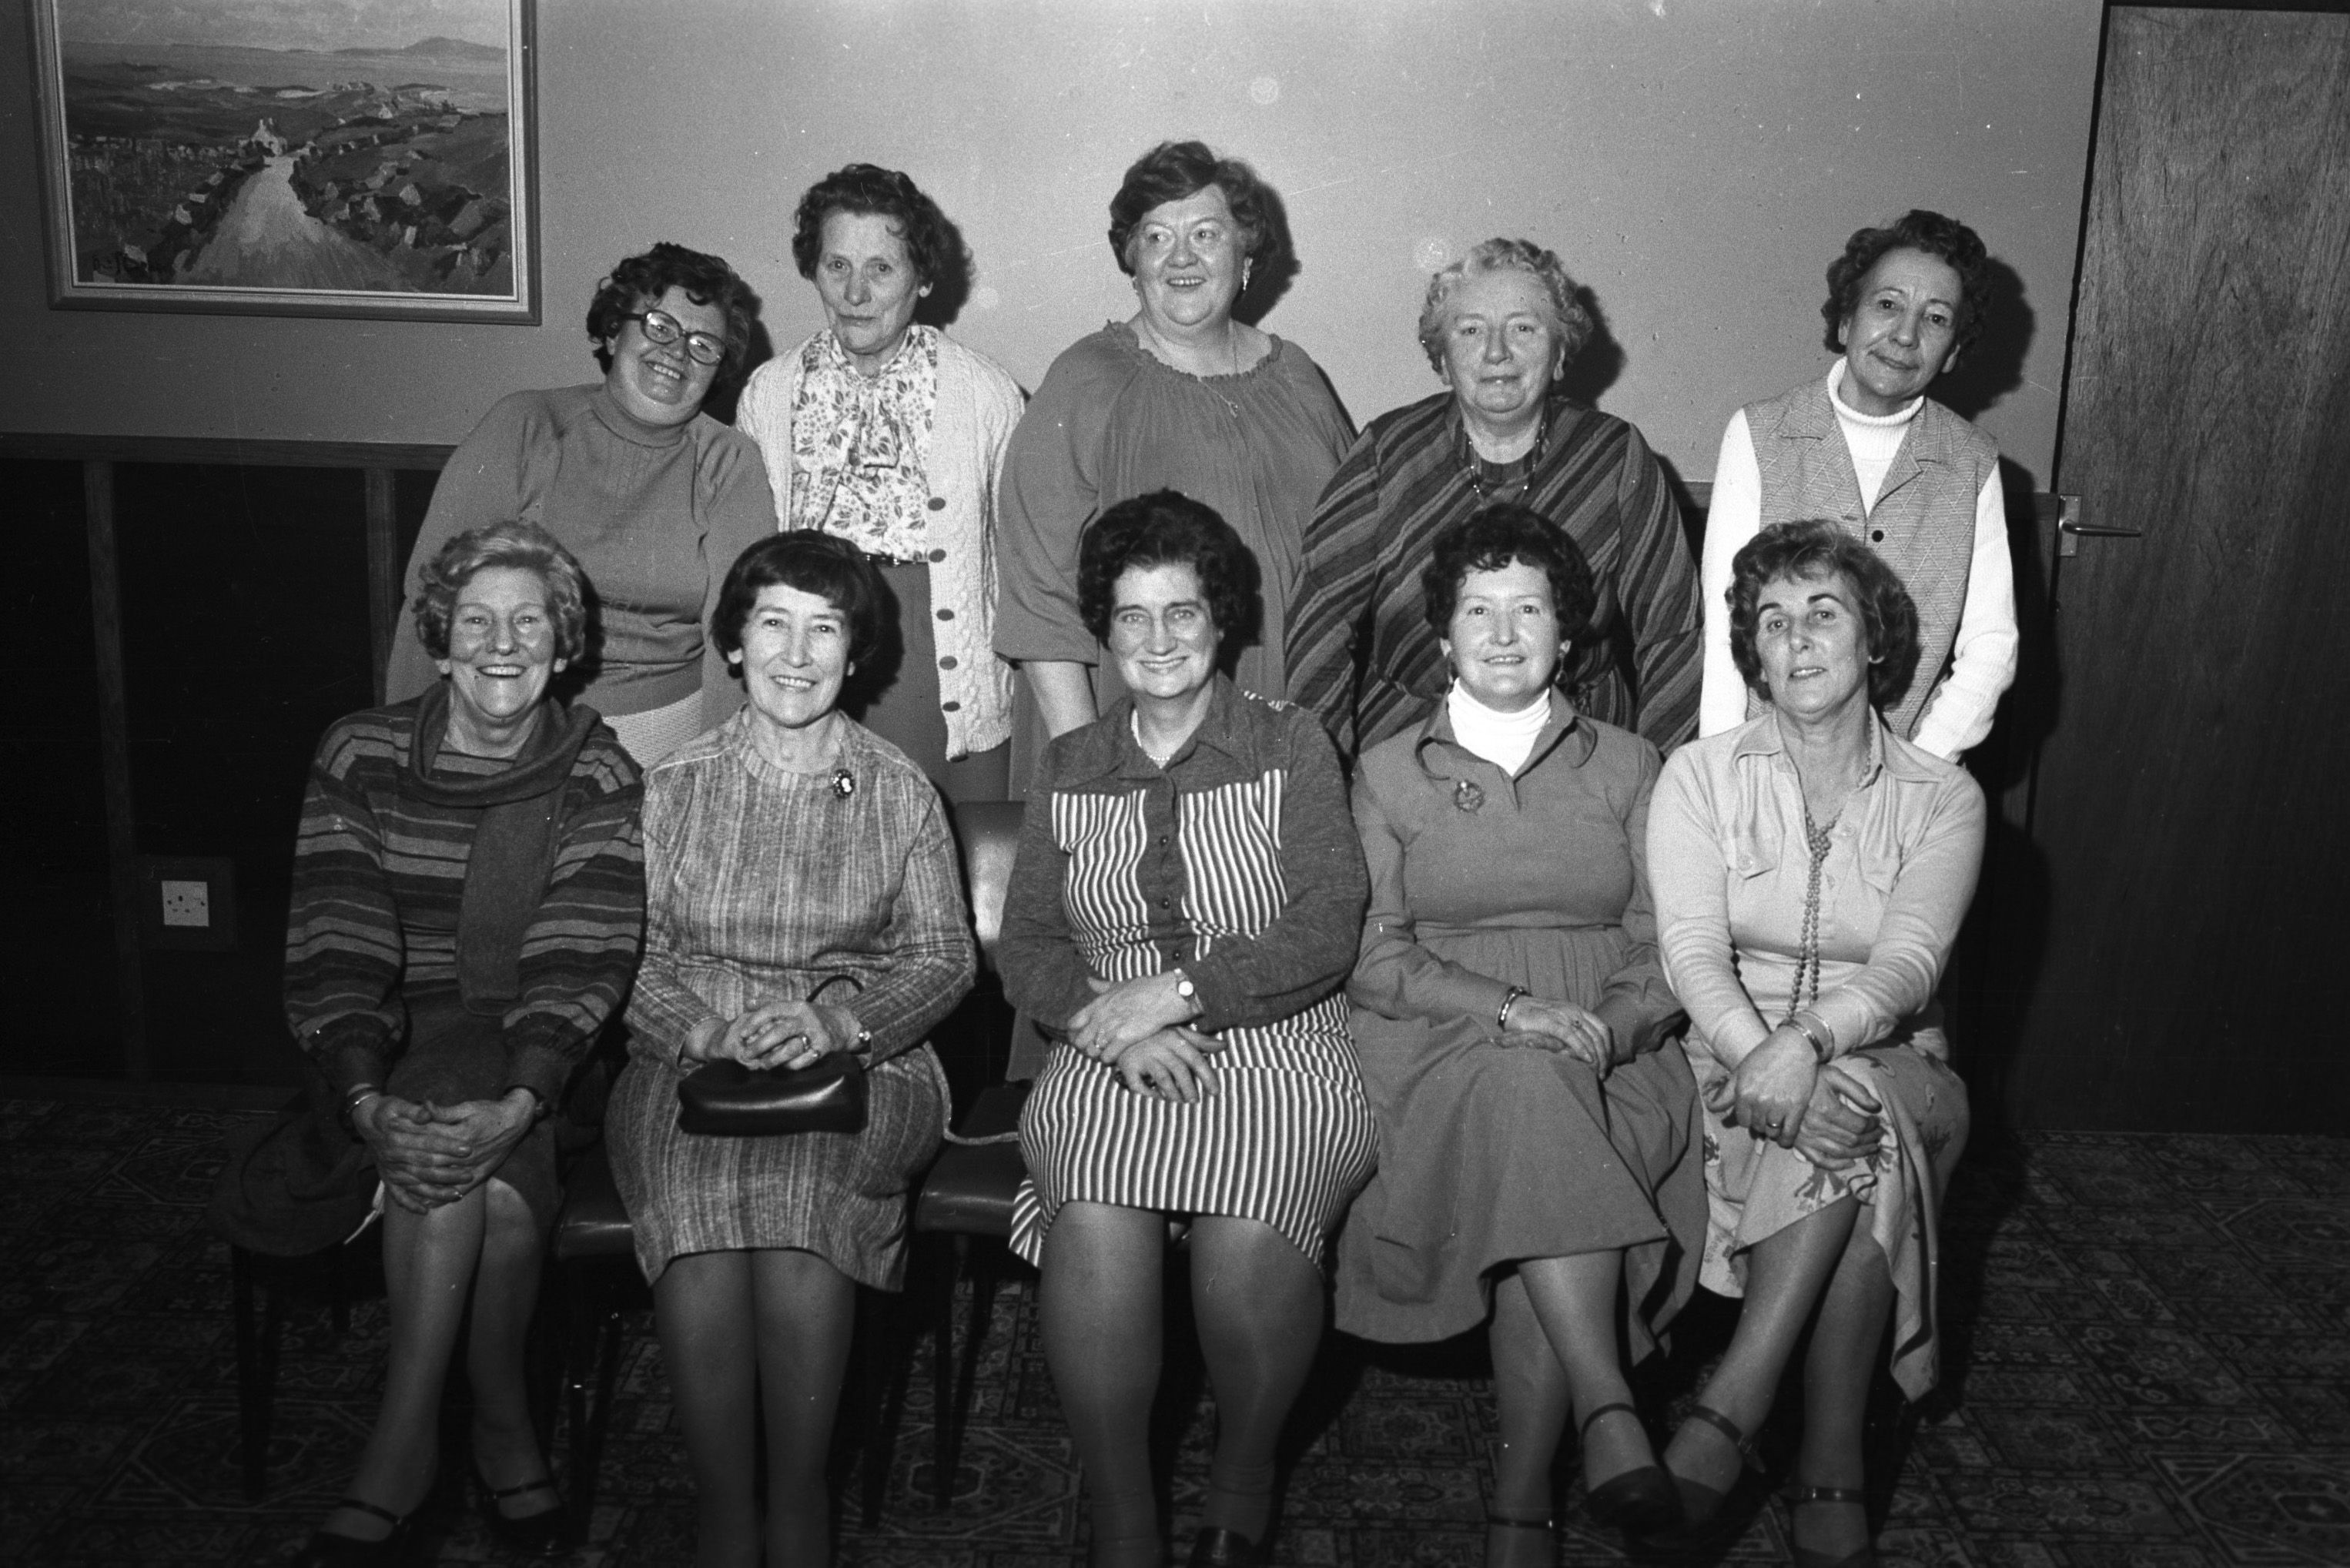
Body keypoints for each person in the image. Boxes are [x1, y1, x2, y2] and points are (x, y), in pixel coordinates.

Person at [996, 492, 1375, 1568]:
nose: (1157, 640)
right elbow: (1028, 943)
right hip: (1104, 1037)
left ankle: (1243, 1476)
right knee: (1097, 1215)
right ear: (1102, 632)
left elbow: (1325, 926)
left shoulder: (1290, 743)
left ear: (1223, 622)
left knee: (1250, 1224)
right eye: (1131, 617)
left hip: (1279, 1031)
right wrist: (1109, 1026)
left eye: (1183, 612)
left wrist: (1173, 996)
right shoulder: (1070, 766)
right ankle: (1124, 1520)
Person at [1335, 506, 1700, 1563]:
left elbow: (1671, 940)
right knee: (1528, 1100)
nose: (1503, 633)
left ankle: (1520, 1506)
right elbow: (1373, 951)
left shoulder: (1633, 762)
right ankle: (1605, 1406)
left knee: (1547, 1157)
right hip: (1440, 1035)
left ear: (1567, 632)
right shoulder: (1386, 768)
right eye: (1477, 611)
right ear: (1442, 637)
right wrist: (1506, 1011)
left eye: (1528, 608)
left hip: (1609, 1039)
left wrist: (1616, 1024)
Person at [604, 530, 975, 1567]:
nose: (798, 654)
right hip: (684, 1059)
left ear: (856, 653)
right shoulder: (670, 786)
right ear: (734, 644)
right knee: (694, 1211)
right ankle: (727, 1511)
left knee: (808, 1208)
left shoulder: (897, 789)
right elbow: (627, 958)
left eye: (826, 629)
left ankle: (801, 1501)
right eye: (775, 623)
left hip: (866, 1058)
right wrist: (703, 1031)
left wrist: (840, 1024)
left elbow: (945, 959)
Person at [284, 522, 644, 1564]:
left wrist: (523, 1098)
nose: (502, 643)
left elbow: (581, 963)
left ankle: (398, 1452)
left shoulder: (597, 771)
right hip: (382, 1049)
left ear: (563, 645)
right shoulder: (361, 752)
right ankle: (500, 1425)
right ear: (439, 643)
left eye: (528, 621)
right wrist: (361, 1097)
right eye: (476, 622)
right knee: (480, 1188)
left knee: (463, 1157)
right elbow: (336, 942)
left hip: (545, 1054)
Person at [1648, 520, 1984, 1568]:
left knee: (1864, 1099)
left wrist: (1807, 1044)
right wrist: (1767, 1054)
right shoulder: (1698, 776)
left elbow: (1908, 969)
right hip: (1724, 1052)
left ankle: (1735, 1400)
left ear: (1875, 641)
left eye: (1822, 614)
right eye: (1771, 621)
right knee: (1854, 1137)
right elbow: (1691, 950)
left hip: (1897, 1059)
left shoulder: (1945, 795)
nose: (1794, 642)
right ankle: (1830, 1452)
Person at [993, 139, 1354, 761]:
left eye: (1207, 234)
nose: (1181, 257)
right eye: (1157, 237)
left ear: (1245, 250)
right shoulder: (1087, 380)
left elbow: (1354, 551)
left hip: (1301, 721)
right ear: (1132, 261)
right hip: (1138, 731)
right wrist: (1091, 765)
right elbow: (1036, 598)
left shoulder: (1297, 374)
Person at [1287, 237, 1701, 763]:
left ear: (1559, 353)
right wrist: (1322, 777)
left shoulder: (1614, 457)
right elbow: (1318, 620)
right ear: (1442, 356)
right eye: (1471, 330)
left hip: (1579, 755)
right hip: (1409, 752)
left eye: (1523, 328)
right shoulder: (1386, 453)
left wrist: (1658, 791)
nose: (1497, 352)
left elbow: (1674, 635)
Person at [387, 242, 778, 767]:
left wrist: (717, 771)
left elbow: (740, 635)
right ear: (616, 330)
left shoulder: (730, 462)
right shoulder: (526, 426)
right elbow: (431, 597)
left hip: (665, 734)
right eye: (659, 326)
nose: (677, 353)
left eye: (703, 343)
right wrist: (410, 745)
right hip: (511, 715)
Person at [738, 164, 1024, 800]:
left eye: (881, 269)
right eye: (837, 266)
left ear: (921, 279)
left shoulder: (985, 393)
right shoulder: (771, 392)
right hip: (812, 646)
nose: (856, 293)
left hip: (934, 656)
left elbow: (1019, 562)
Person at [1697, 210, 2016, 758]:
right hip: (1762, 763)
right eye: (1887, 305)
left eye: (1937, 318)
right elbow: (1728, 628)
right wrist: (1723, 771)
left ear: (1955, 349)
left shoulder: (1972, 463)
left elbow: (1991, 647)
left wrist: (1918, 772)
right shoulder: (1759, 434)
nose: (1906, 334)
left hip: (1908, 771)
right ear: (1846, 321)